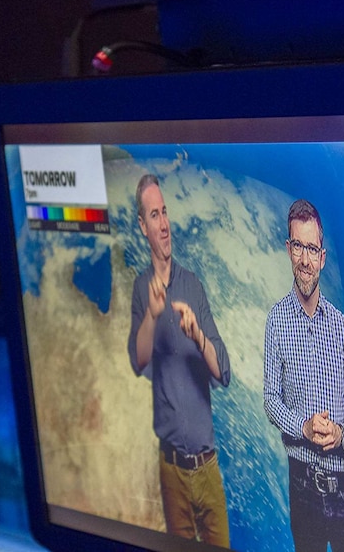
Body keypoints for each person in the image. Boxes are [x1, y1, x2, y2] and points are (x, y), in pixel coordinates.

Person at [127, 173, 231, 547]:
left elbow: (224, 371)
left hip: (207, 468)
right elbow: (137, 360)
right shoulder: (141, 289)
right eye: (154, 215)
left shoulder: (194, 286)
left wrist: (198, 336)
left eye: (165, 212)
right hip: (171, 472)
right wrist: (153, 316)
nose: (164, 223)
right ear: (143, 226)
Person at [263, 199, 344, 552]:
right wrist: (303, 428)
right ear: (288, 249)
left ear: (322, 257)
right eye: (298, 247)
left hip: (343, 490)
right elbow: (270, 400)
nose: (305, 260)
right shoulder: (276, 321)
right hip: (302, 490)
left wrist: (340, 434)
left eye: (312, 249)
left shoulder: (343, 329)